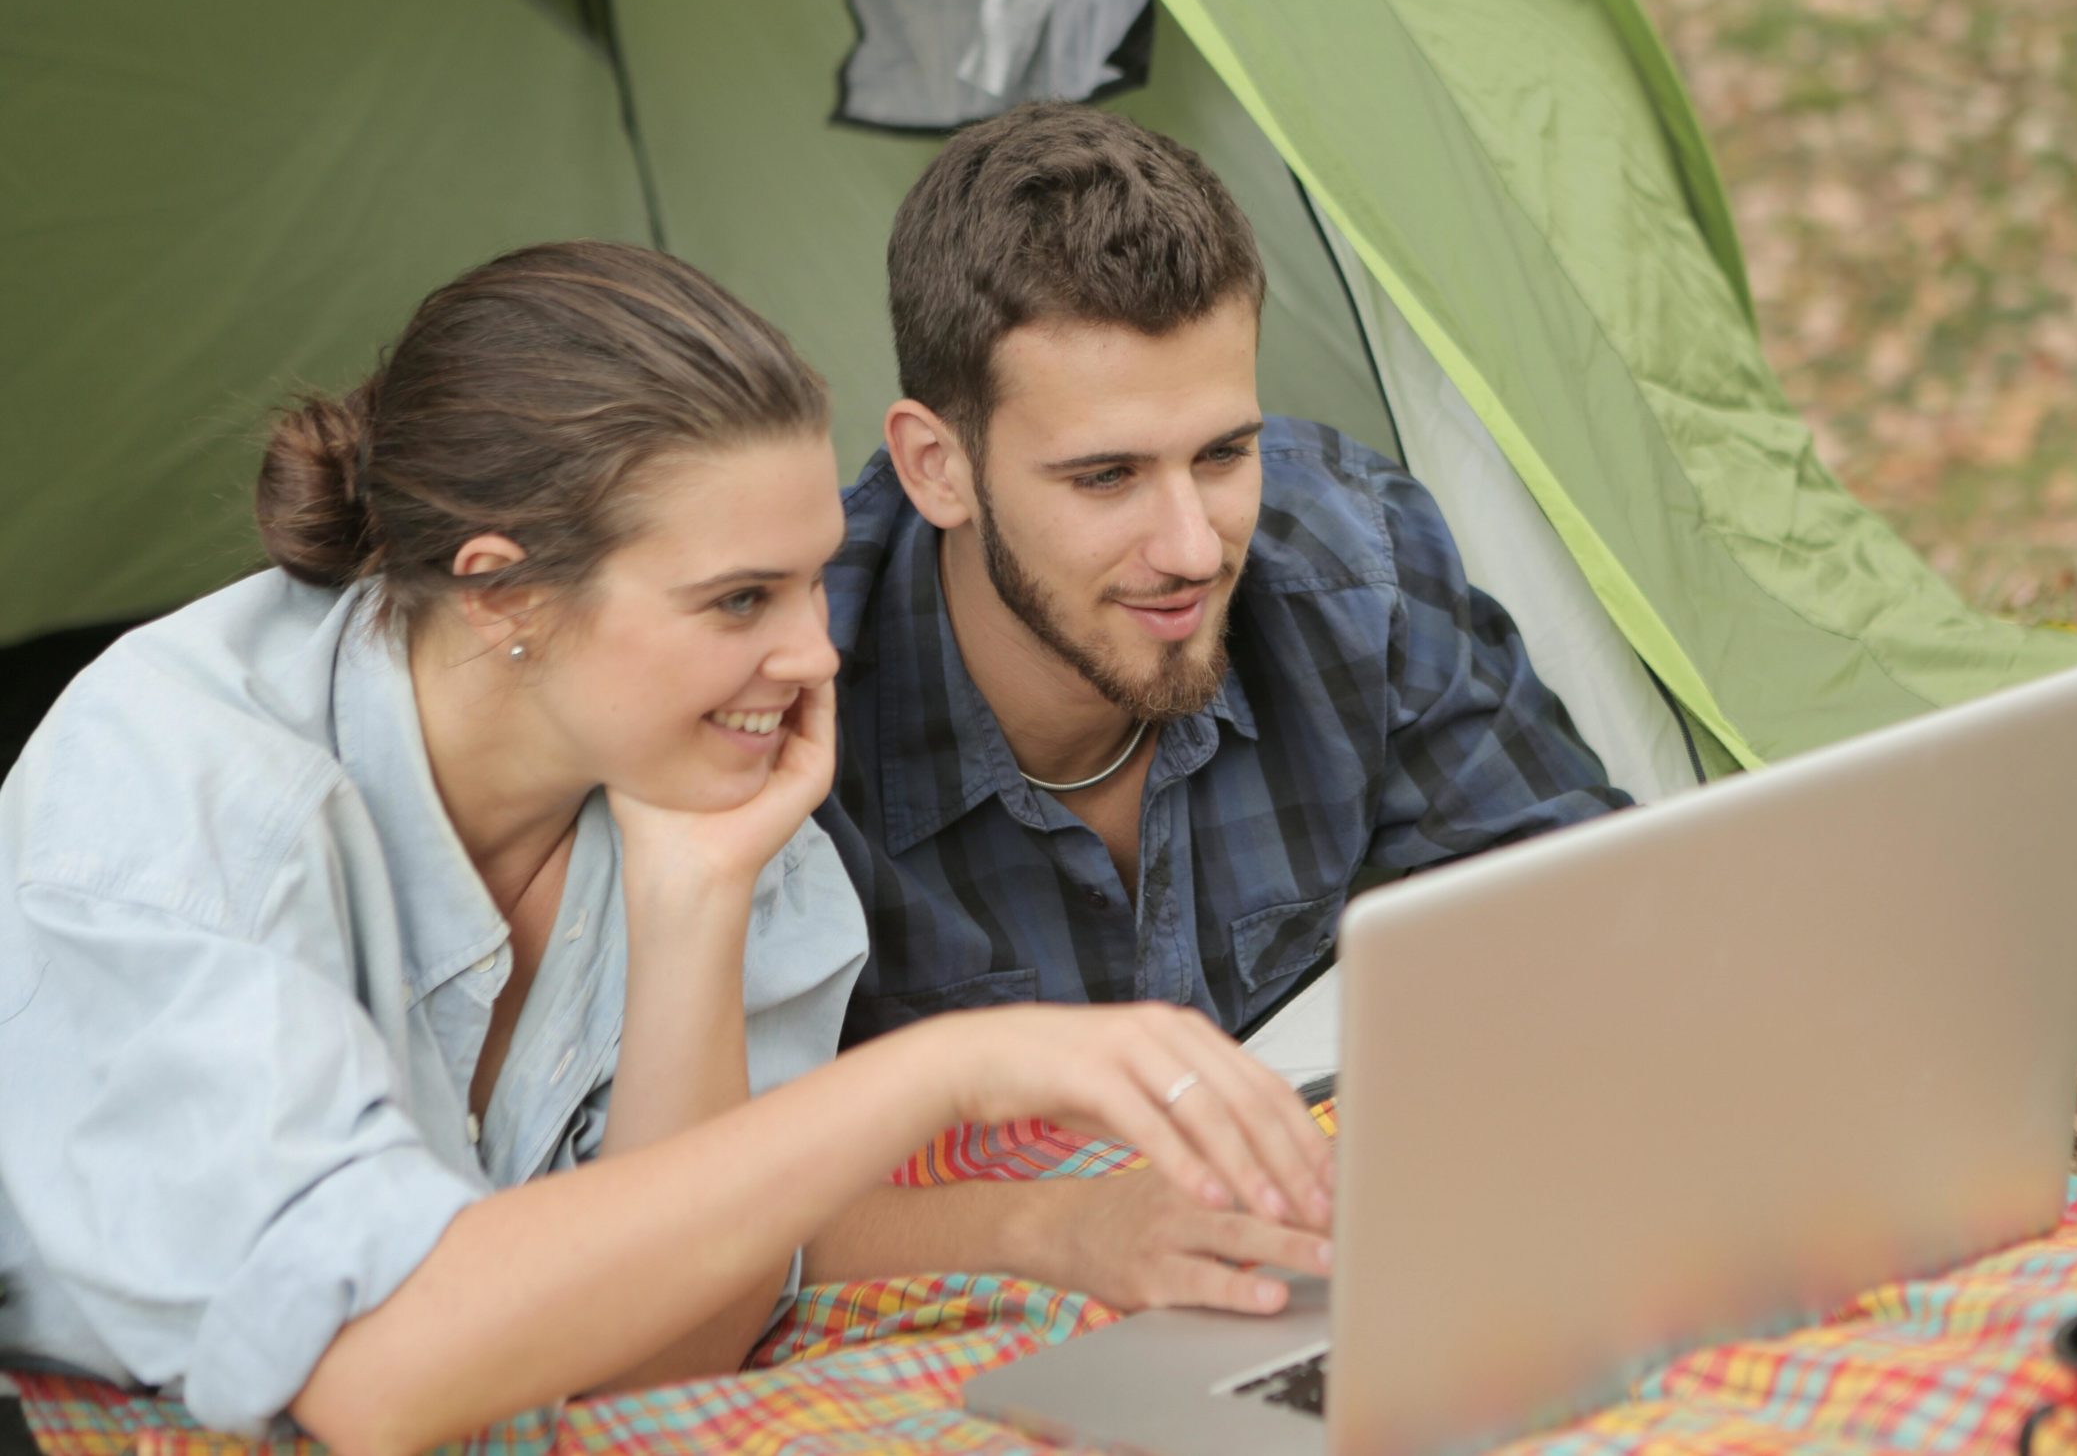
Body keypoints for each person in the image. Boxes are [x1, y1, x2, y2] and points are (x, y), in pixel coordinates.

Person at [0, 243, 1330, 1455]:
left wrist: (694, 897)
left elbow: (669, 1353)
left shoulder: (678, 768)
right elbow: (373, 1374)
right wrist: (951, 1066)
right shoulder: (184, 787)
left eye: (812, 578)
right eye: (739, 599)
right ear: (502, 590)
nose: (814, 654)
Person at [811, 106, 1627, 1311]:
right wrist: (1056, 1228)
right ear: (938, 467)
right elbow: (689, 1204)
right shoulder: (788, 700)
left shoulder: (1351, 560)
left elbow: (1593, 919)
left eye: (1224, 453)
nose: (1192, 548)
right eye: (1106, 477)